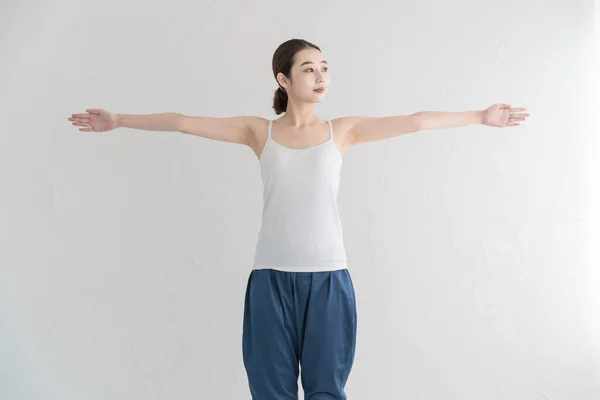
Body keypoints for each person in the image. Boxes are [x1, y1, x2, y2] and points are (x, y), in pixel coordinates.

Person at [68, 38, 529, 400]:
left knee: (327, 392)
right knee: (271, 392)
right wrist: (120, 120)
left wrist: (481, 116)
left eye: (325, 67)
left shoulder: (342, 131)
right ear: (283, 79)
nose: (321, 75)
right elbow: (186, 121)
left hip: (329, 278)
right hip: (270, 280)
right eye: (309, 68)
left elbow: (417, 121)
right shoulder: (258, 131)